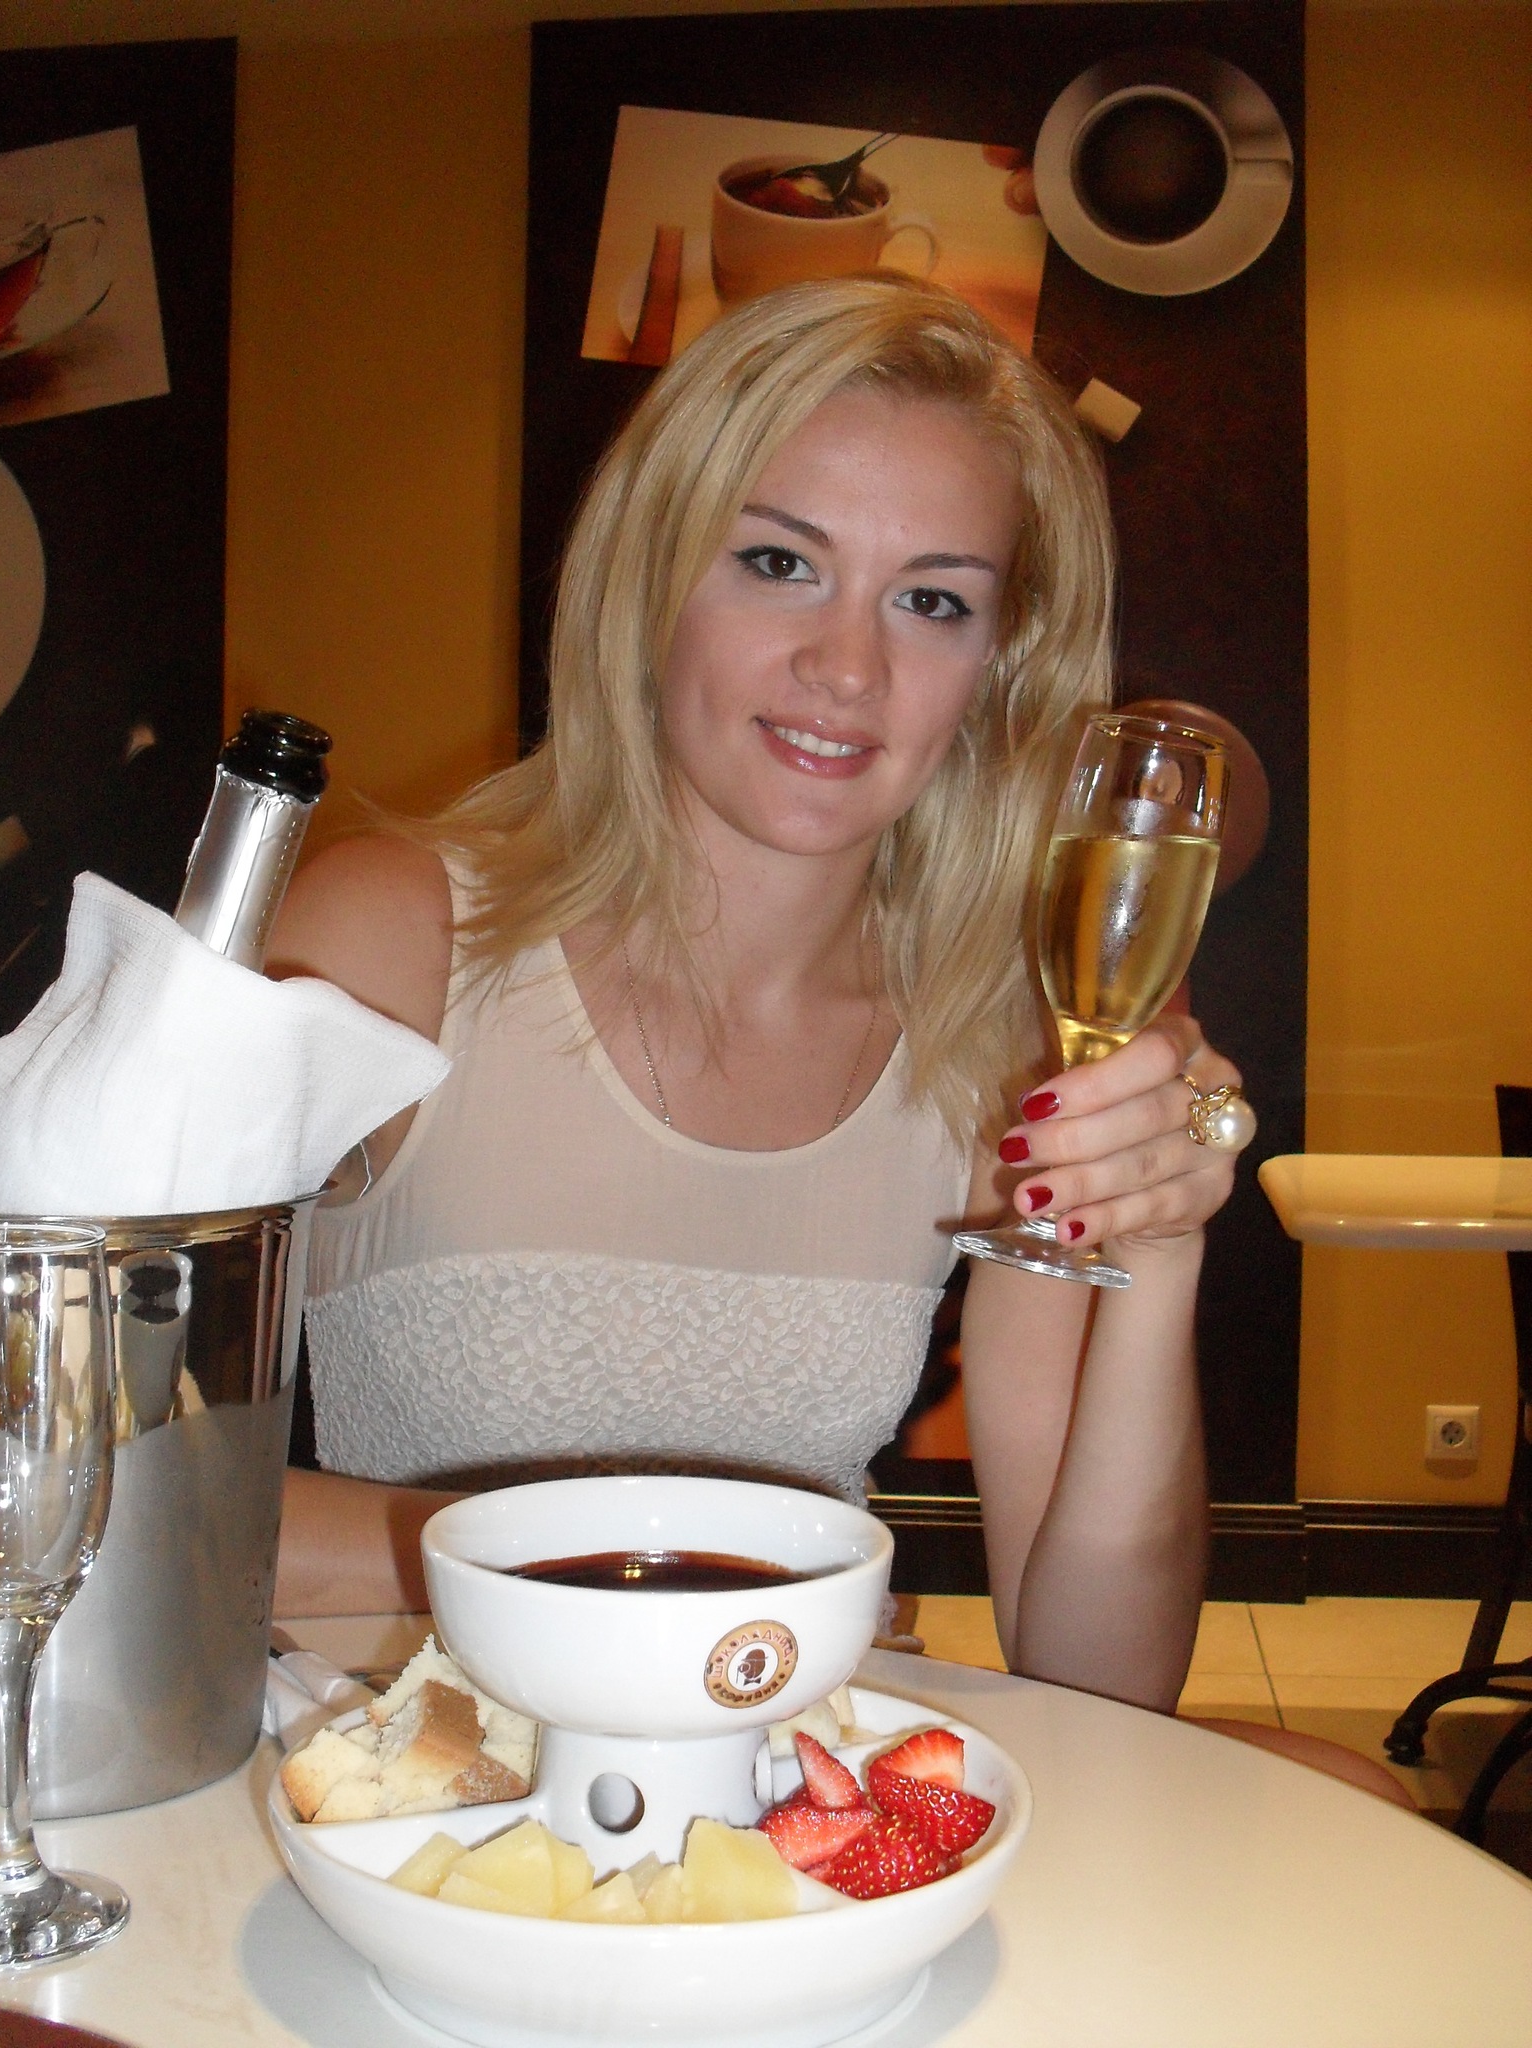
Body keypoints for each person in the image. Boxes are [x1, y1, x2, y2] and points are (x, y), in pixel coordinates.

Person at [268, 274, 1249, 1714]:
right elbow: (90, 1486)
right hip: (420, 1786)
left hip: (789, 1790)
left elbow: (1104, 1679)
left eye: (931, 601)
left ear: (1000, 666)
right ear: (652, 578)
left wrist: (1158, 1252)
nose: (847, 669)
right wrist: (702, 1578)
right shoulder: (390, 940)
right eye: (780, 563)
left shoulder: (994, 1046)